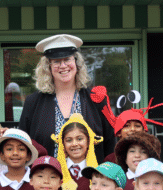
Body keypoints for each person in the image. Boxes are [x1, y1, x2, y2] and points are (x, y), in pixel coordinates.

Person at [18, 34, 115, 162]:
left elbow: (110, 144)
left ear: (76, 62)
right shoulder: (33, 102)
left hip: (92, 179)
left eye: (67, 59)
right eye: (56, 61)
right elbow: (24, 144)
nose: (63, 66)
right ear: (48, 67)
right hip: (47, 179)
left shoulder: (96, 99)